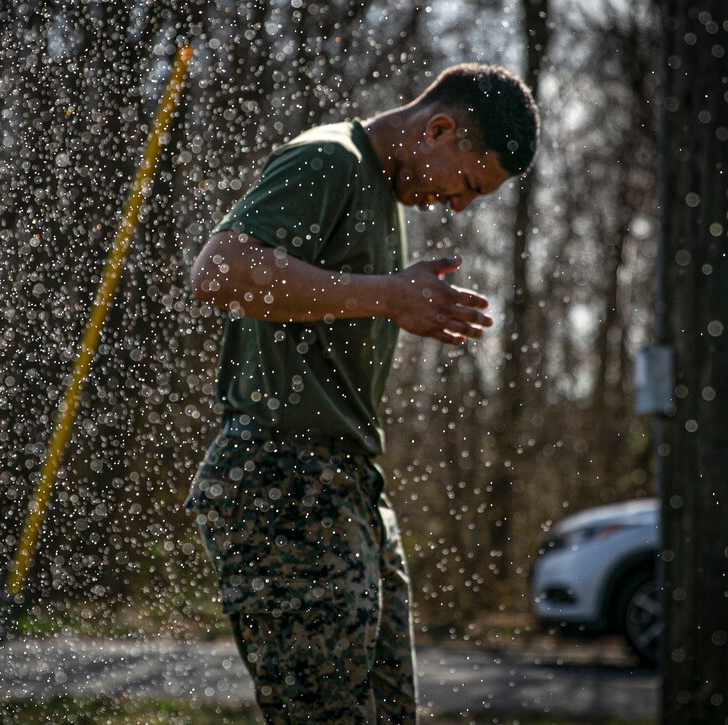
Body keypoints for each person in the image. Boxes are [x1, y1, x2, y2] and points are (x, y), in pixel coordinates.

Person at [185, 63, 540, 724]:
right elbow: (218, 270)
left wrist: (391, 298)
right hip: (281, 476)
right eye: (465, 183)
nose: (457, 206)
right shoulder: (329, 160)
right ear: (437, 128)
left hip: (349, 486)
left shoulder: (380, 191)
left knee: (385, 712)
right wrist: (387, 294)